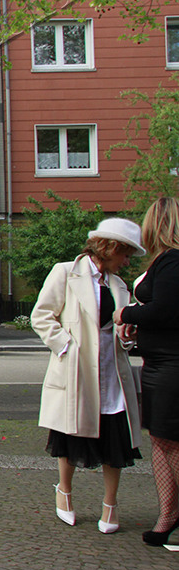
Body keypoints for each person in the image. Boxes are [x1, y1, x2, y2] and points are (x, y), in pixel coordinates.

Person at [33, 218, 144, 534]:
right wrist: (66, 345)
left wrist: (127, 336)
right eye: (125, 254)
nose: (127, 262)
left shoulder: (120, 285)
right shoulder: (66, 272)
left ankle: (111, 503)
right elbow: (41, 315)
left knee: (115, 437)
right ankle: (64, 492)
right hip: (77, 369)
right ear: (110, 248)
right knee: (71, 434)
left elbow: (121, 333)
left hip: (112, 371)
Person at [114, 199, 179, 545]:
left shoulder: (172, 262)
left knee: (171, 440)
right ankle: (167, 516)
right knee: (160, 439)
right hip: (158, 362)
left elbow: (166, 311)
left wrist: (126, 315)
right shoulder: (166, 263)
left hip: (172, 365)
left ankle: (171, 515)